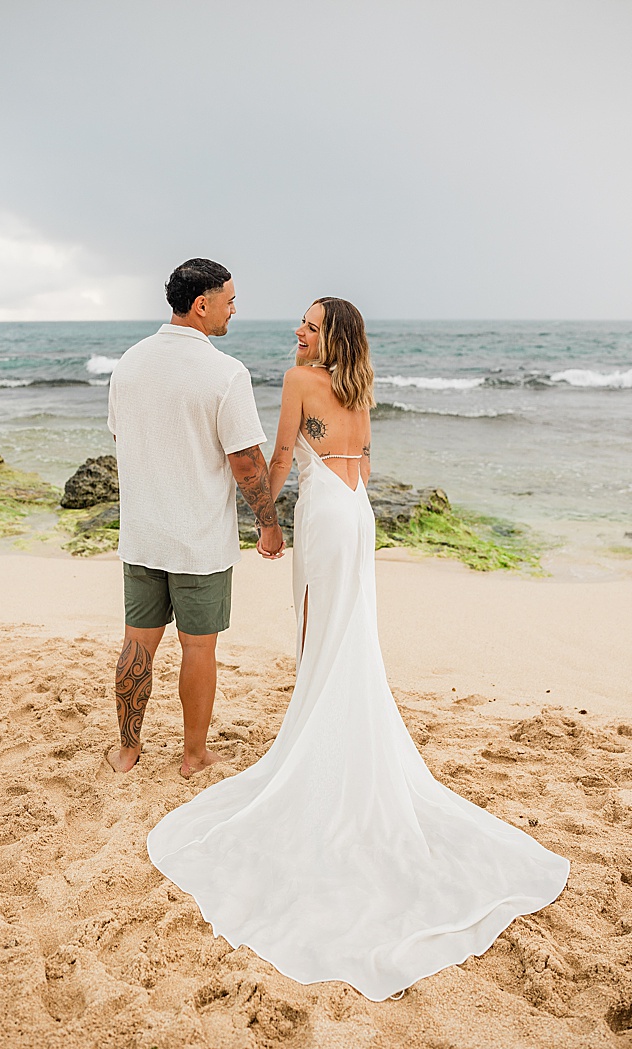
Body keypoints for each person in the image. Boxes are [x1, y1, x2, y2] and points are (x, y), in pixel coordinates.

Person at [145, 298, 568, 1000]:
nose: (297, 332)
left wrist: (264, 521)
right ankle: (327, 728)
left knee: (320, 633)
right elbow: (361, 460)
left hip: (325, 515)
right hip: (358, 513)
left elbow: (281, 456)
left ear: (328, 335)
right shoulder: (358, 382)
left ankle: (317, 743)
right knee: (349, 635)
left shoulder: (298, 379)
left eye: (308, 325)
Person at [105, 258, 283, 777]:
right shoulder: (225, 372)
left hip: (142, 534)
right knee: (198, 647)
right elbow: (246, 461)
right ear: (201, 304)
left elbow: (122, 435)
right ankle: (193, 754)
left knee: (137, 642)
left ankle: (128, 750)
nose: (234, 310)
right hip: (199, 540)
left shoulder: (129, 363)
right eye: (229, 300)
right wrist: (268, 523)